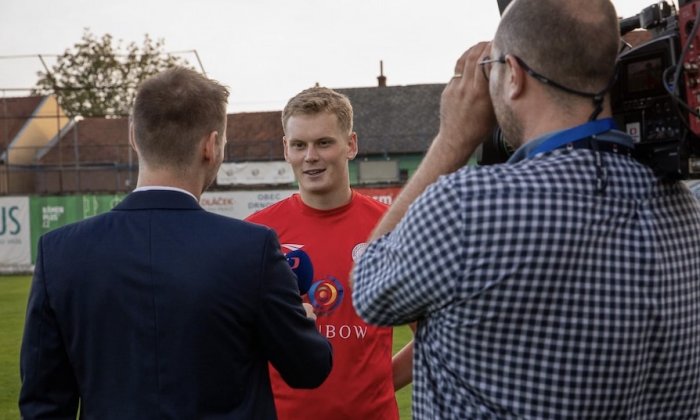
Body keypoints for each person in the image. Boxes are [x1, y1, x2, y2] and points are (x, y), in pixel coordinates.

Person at [352, 0, 700, 418]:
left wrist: (452, 140)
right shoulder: (685, 210)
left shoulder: (467, 207)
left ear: (514, 75)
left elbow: (369, 287)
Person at [19, 67, 332, 420]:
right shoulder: (252, 248)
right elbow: (309, 368)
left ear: (134, 138)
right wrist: (300, 320)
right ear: (211, 146)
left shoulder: (60, 253)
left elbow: (43, 405)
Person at [246, 86, 411, 420]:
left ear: (350, 145)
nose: (310, 156)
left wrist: (378, 387)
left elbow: (432, 337)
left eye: (324, 142)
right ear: (285, 149)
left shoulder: (392, 228)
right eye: (299, 145)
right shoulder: (255, 235)